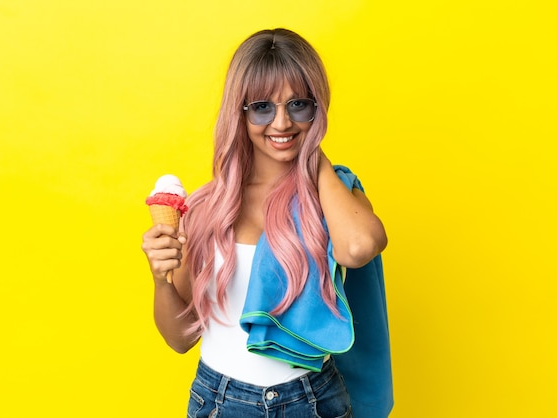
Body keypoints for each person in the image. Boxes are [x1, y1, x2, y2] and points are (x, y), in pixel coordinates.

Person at [142, 28, 390, 418]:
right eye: (262, 106)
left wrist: (312, 155)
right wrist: (160, 279)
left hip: (312, 400)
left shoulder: (335, 193)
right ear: (239, 111)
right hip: (220, 402)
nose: (281, 123)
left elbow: (358, 247)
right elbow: (178, 339)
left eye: (299, 105)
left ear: (317, 109)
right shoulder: (210, 206)